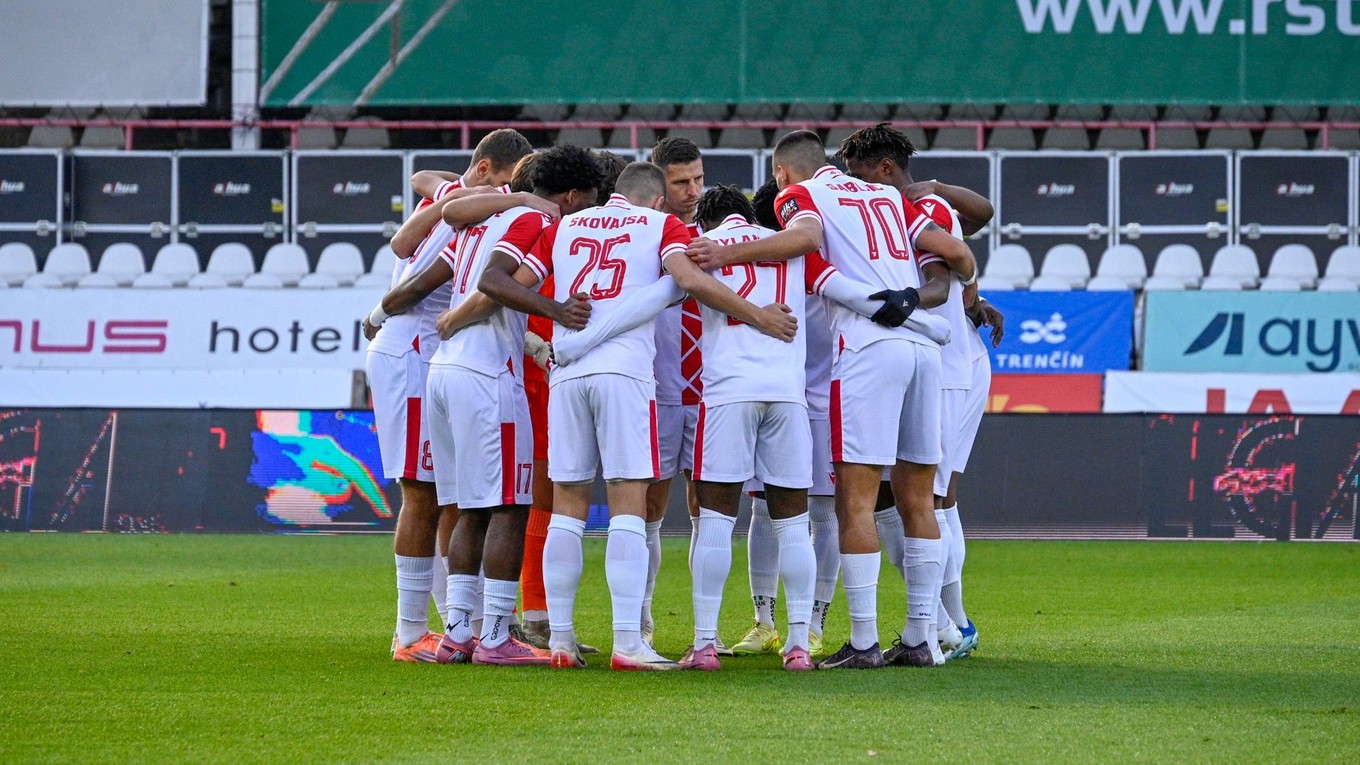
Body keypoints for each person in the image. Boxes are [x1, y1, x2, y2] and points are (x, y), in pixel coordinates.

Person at [478, 162, 794, 670]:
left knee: (568, 506)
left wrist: (555, 312)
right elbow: (688, 279)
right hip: (625, 375)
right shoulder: (659, 226)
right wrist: (756, 315)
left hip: (567, 372)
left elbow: (497, 281)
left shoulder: (563, 225)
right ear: (654, 201)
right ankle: (628, 641)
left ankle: (559, 640)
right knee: (628, 501)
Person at [686, 130, 972, 669]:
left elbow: (808, 251)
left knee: (856, 501)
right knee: (918, 497)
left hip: (867, 349)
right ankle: (923, 636)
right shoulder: (890, 197)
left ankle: (863, 641)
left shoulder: (804, 198)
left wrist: (728, 250)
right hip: (925, 352)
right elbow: (957, 254)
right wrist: (922, 312)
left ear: (782, 176)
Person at [425, 144, 603, 666]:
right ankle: (497, 635)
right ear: (570, 196)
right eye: (586, 204)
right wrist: (555, 309)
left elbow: (459, 243)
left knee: (470, 508)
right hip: (486, 376)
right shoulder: (536, 221)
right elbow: (494, 282)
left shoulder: (485, 219)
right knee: (508, 504)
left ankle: (460, 632)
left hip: (447, 369)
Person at [361, 129, 531, 661]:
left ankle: (468, 623)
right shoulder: (474, 210)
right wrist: (379, 314)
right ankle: (410, 633)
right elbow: (410, 264)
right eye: (504, 184)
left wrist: (450, 191)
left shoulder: (455, 199)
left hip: (429, 353)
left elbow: (423, 190)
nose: (504, 196)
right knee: (424, 494)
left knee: (449, 495)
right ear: (486, 173)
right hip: (413, 349)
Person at [840, 123, 1003, 660]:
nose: (855, 185)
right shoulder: (902, 209)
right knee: (900, 498)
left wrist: (956, 288)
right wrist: (970, 295)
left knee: (930, 500)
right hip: (938, 361)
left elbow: (958, 252)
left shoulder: (918, 207)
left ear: (885, 169)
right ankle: (937, 624)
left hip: (947, 364)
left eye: (860, 173)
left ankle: (949, 626)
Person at [645, 137, 710, 649]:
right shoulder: (644, 235)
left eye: (699, 179)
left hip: (714, 393)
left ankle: (705, 634)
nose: (693, 191)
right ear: (658, 184)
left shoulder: (723, 232)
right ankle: (641, 623)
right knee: (647, 508)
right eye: (681, 182)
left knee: (709, 510)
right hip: (660, 391)